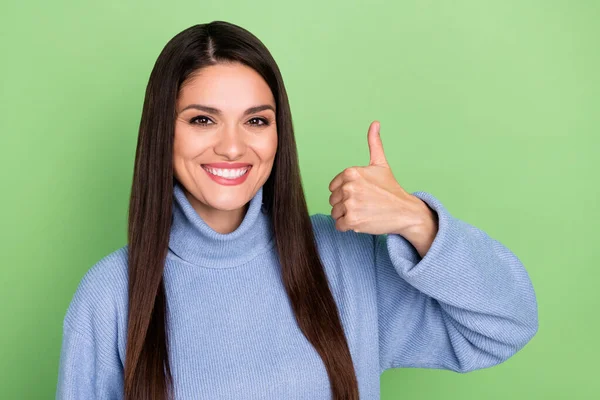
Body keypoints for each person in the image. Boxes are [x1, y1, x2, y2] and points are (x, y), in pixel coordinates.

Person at [55, 21, 538, 400]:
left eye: (256, 121)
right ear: (164, 132)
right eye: (202, 119)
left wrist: (417, 220)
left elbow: (505, 326)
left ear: (277, 134)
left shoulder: (345, 259)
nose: (232, 146)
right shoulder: (110, 297)